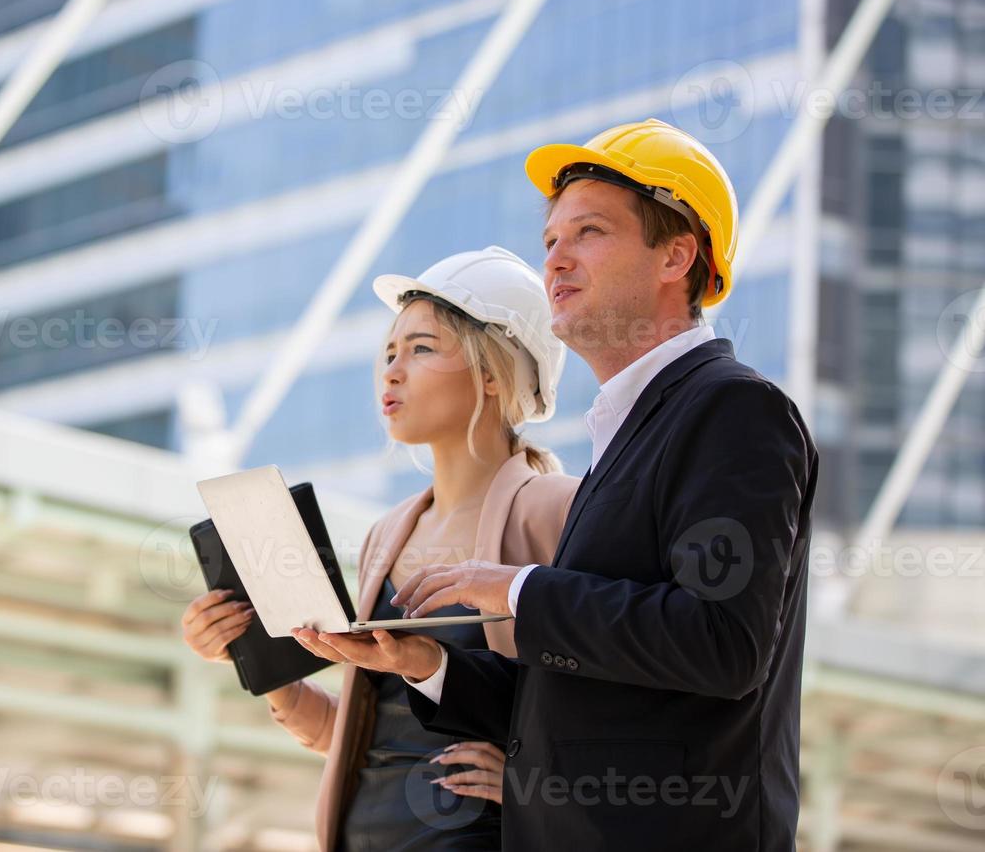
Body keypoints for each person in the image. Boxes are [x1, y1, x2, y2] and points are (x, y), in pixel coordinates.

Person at [319, 118, 817, 849]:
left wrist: (518, 590)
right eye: (550, 240)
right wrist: (421, 663)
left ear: (678, 254)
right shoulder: (623, 438)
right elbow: (569, 703)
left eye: (589, 233)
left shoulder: (735, 409)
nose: (556, 260)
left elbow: (722, 643)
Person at [180, 246, 579, 850]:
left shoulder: (556, 510)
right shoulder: (386, 533)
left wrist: (542, 785)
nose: (391, 371)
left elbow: (618, 701)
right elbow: (364, 735)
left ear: (494, 373)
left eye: (421, 348)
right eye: (389, 352)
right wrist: (265, 667)